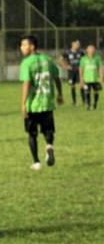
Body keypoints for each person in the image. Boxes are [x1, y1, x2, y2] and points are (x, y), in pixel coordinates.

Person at [19, 35, 63, 171]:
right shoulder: (48, 60)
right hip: (47, 103)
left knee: (32, 134)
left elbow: (26, 84)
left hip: (33, 105)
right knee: (48, 130)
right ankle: (49, 146)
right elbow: (57, 78)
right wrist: (60, 94)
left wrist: (23, 104)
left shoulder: (26, 63)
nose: (21, 48)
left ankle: (36, 162)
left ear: (32, 47)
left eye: (24, 45)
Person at [59, 40, 84, 106]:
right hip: (71, 72)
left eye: (79, 44)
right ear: (73, 45)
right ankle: (74, 101)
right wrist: (65, 66)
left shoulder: (81, 52)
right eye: (77, 44)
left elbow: (85, 59)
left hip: (79, 71)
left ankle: (84, 100)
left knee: (81, 85)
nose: (78, 45)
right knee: (72, 86)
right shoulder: (67, 52)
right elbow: (61, 59)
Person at [79, 44, 102, 110]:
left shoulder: (97, 58)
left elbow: (101, 67)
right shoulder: (83, 58)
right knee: (87, 92)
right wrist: (81, 78)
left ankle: (95, 104)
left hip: (95, 79)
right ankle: (88, 105)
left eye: (93, 49)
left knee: (96, 92)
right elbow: (81, 68)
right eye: (90, 49)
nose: (92, 50)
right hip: (86, 79)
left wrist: (101, 77)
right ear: (87, 50)